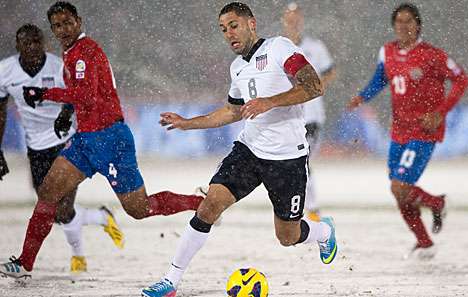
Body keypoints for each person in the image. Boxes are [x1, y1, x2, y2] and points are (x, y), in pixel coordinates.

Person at [142, 3, 338, 296]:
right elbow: (232, 112)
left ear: (251, 24)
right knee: (209, 205)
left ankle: (324, 232)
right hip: (249, 150)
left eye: (234, 25)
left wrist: (270, 102)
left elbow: (313, 86)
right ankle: (170, 281)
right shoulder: (237, 68)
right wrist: (188, 123)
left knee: (288, 236)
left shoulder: (279, 47)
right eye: (223, 29)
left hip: (288, 158)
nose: (229, 34)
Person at [0, 1, 204, 279]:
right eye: (57, 25)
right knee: (48, 192)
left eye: (67, 23)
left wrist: (45, 93)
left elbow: (86, 95)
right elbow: (82, 96)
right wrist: (66, 114)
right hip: (85, 140)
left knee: (139, 209)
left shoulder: (85, 52)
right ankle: (24, 264)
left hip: (110, 140)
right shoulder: (72, 52)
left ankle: (199, 203)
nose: (63, 29)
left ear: (79, 22)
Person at [0, 23, 127, 275]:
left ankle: (75, 259)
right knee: (52, 211)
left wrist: (65, 115)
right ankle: (100, 217)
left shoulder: (59, 65)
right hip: (35, 147)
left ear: (44, 43)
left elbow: (76, 94)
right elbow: (0, 111)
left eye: (38, 42)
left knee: (61, 207)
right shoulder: (5, 71)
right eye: (27, 43)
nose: (33, 47)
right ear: (18, 46)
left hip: (65, 141)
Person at [346, 3, 468, 258]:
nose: (403, 26)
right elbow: (381, 78)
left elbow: (461, 79)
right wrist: (363, 96)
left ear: (418, 25)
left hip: (423, 130)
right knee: (399, 191)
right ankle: (424, 243)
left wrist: (439, 112)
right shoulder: (387, 51)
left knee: (400, 187)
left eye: (408, 21)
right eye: (399, 21)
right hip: (398, 131)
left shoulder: (432, 55)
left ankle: (437, 203)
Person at [282, 2, 337, 221]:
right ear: (283, 20)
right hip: (287, 116)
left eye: (296, 16)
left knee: (302, 161)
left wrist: (313, 86)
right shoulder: (278, 48)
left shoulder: (315, 47)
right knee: (290, 163)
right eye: (289, 16)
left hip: (311, 116)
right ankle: (299, 207)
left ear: (301, 19)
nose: (293, 20)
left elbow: (330, 72)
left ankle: (311, 210)